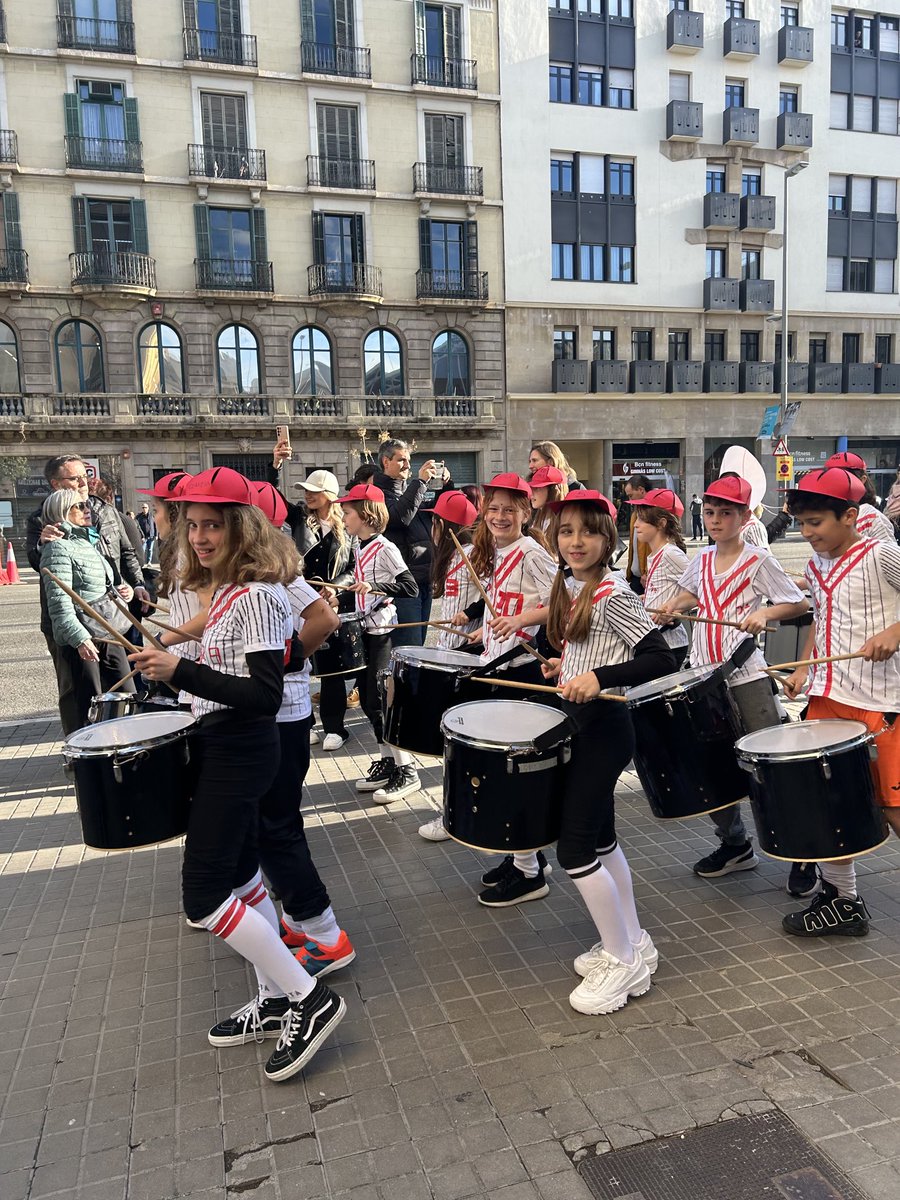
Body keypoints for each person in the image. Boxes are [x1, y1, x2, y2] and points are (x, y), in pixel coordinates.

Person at [128, 467, 345, 1083]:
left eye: (213, 526)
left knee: (204, 895)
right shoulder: (226, 592)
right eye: (193, 525)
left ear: (242, 528)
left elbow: (263, 696)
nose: (199, 536)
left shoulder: (255, 597)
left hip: (242, 748)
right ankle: (275, 997)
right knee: (245, 874)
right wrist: (171, 656)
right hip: (219, 742)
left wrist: (180, 671)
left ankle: (309, 997)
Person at [540, 491, 675, 1013]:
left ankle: (622, 962)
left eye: (588, 532)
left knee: (574, 851)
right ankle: (634, 940)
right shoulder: (576, 585)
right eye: (566, 531)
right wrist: (568, 667)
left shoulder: (614, 592)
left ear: (607, 538)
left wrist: (597, 677)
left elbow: (659, 658)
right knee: (601, 841)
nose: (576, 541)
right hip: (586, 724)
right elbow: (596, 648)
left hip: (604, 730)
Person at [656, 475, 809, 883]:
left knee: (769, 765)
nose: (716, 520)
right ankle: (735, 843)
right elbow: (692, 595)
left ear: (744, 517)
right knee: (712, 769)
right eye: (710, 512)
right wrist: (674, 605)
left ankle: (802, 849)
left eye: (726, 513)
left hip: (747, 677)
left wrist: (765, 613)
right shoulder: (702, 558)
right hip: (703, 679)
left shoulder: (758, 559)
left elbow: (797, 603)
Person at [780, 467, 900, 936]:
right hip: (827, 697)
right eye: (801, 524)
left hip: (881, 700)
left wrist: (894, 632)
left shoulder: (882, 555)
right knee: (830, 803)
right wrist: (804, 667)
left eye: (815, 523)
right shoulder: (816, 565)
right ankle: (842, 901)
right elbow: (822, 618)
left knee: (893, 807)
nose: (807, 533)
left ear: (849, 516)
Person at [247, 482, 355, 978]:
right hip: (264, 716)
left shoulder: (274, 576)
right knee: (271, 826)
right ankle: (296, 918)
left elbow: (324, 618)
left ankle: (325, 935)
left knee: (276, 827)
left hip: (281, 715)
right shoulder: (248, 574)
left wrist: (288, 662)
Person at [465, 473, 559, 905]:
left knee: (515, 774)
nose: (500, 516)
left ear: (525, 512)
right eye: (494, 509)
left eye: (509, 509)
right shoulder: (499, 552)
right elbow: (505, 605)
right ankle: (522, 854)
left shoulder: (531, 552)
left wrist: (520, 622)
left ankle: (530, 873)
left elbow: (560, 604)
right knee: (504, 771)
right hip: (498, 665)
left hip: (522, 673)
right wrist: (484, 630)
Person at [27, 455, 149, 732]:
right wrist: (43, 543)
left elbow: (125, 553)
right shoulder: (42, 519)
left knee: (125, 685)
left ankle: (124, 740)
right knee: (80, 693)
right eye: (75, 478)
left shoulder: (103, 510)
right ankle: (82, 745)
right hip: (74, 622)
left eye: (85, 476)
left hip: (112, 616)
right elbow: (43, 568)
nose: (84, 482)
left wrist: (133, 585)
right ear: (56, 484)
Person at [336, 482, 421, 803]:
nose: (343, 518)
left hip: (382, 633)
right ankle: (387, 761)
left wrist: (373, 586)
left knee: (381, 700)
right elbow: (356, 584)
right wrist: (339, 595)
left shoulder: (385, 547)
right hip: (364, 631)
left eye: (347, 513)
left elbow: (409, 586)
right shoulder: (358, 546)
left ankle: (407, 769)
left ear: (366, 515)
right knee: (369, 702)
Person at [267, 448, 357, 751]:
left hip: (330, 601)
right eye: (305, 490)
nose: (307, 495)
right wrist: (275, 464)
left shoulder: (346, 527)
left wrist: (336, 589)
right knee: (299, 661)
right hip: (299, 599)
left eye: (314, 491)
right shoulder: (299, 518)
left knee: (332, 669)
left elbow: (353, 568)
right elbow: (273, 496)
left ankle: (335, 727)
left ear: (329, 495)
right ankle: (307, 723)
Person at [39, 488, 136, 732]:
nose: (87, 509)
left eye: (87, 505)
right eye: (79, 506)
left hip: (108, 630)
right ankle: (93, 754)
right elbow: (59, 602)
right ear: (62, 512)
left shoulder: (87, 541)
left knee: (127, 697)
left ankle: (123, 747)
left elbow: (103, 585)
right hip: (84, 637)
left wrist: (124, 590)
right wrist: (80, 639)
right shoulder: (57, 548)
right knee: (92, 709)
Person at [416, 489, 481, 843]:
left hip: (467, 659)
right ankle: (456, 809)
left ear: (444, 525)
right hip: (451, 654)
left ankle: (455, 813)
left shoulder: (472, 555)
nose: (431, 528)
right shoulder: (455, 555)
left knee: (457, 742)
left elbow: (491, 598)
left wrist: (471, 616)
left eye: (435, 521)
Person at [373, 438, 454, 647]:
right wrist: (421, 483)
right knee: (409, 650)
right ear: (386, 462)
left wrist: (445, 486)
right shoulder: (378, 495)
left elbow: (441, 510)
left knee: (418, 647)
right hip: (403, 587)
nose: (408, 465)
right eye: (402, 460)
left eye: (409, 460)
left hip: (424, 581)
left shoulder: (409, 492)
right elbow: (399, 518)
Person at [628, 488, 690, 669]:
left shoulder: (671, 554)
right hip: (658, 641)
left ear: (661, 523)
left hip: (671, 644)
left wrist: (675, 610)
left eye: (642, 519)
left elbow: (702, 587)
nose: (635, 525)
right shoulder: (656, 554)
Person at [824, 451, 896, 542]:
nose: (835, 483)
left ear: (862, 480)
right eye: (830, 478)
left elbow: (889, 550)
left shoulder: (872, 518)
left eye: (843, 477)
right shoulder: (826, 513)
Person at [528, 464, 568, 554]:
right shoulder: (538, 517)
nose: (531, 493)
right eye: (532, 488)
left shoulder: (564, 520)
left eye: (537, 488)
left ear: (553, 491)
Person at [623, 475, 652, 593]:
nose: (630, 500)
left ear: (641, 490)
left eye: (631, 496)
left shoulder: (653, 514)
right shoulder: (635, 514)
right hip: (636, 575)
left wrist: (648, 571)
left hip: (646, 577)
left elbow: (656, 545)